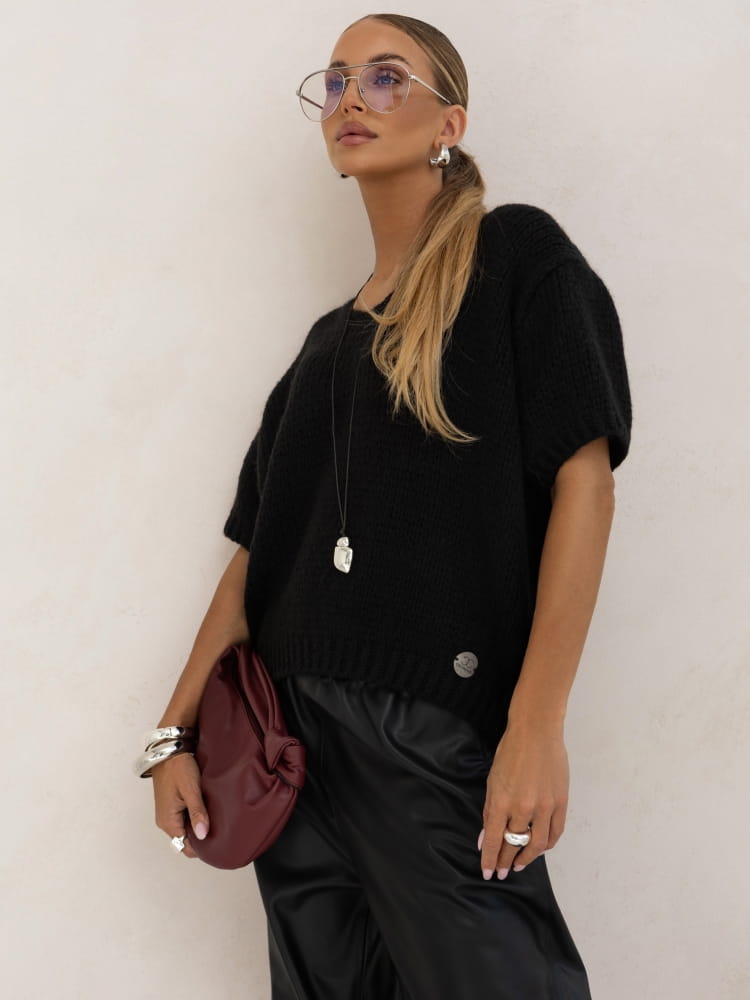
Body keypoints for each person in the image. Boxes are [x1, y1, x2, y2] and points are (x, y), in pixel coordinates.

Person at [143, 12, 632, 999]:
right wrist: (171, 735)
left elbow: (584, 480)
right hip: (287, 748)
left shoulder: (517, 260)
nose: (350, 100)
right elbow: (255, 560)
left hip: (425, 727)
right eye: (334, 82)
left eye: (384, 77)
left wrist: (536, 724)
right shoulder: (323, 348)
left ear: (450, 121)